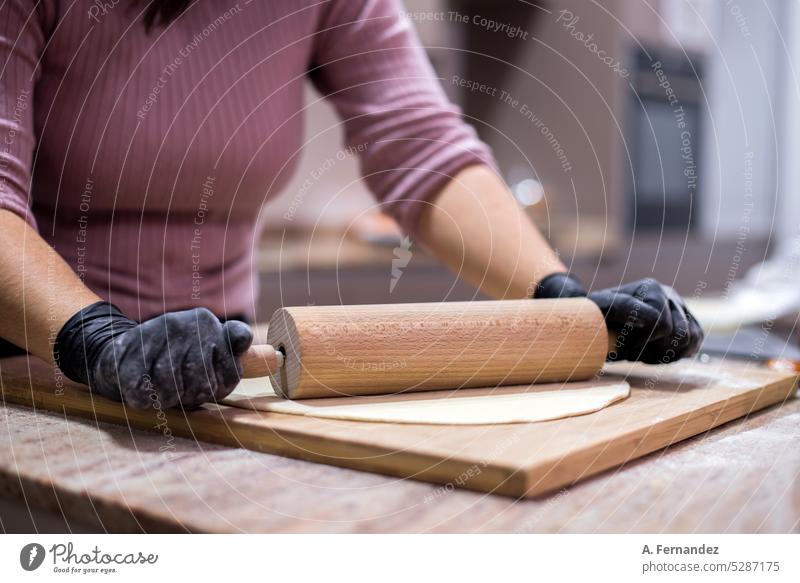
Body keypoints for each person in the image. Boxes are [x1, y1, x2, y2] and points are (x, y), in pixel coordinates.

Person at [0, 0, 702, 410]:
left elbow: (423, 148)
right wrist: (102, 343)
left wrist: (563, 301)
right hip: (42, 359)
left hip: (223, 371)